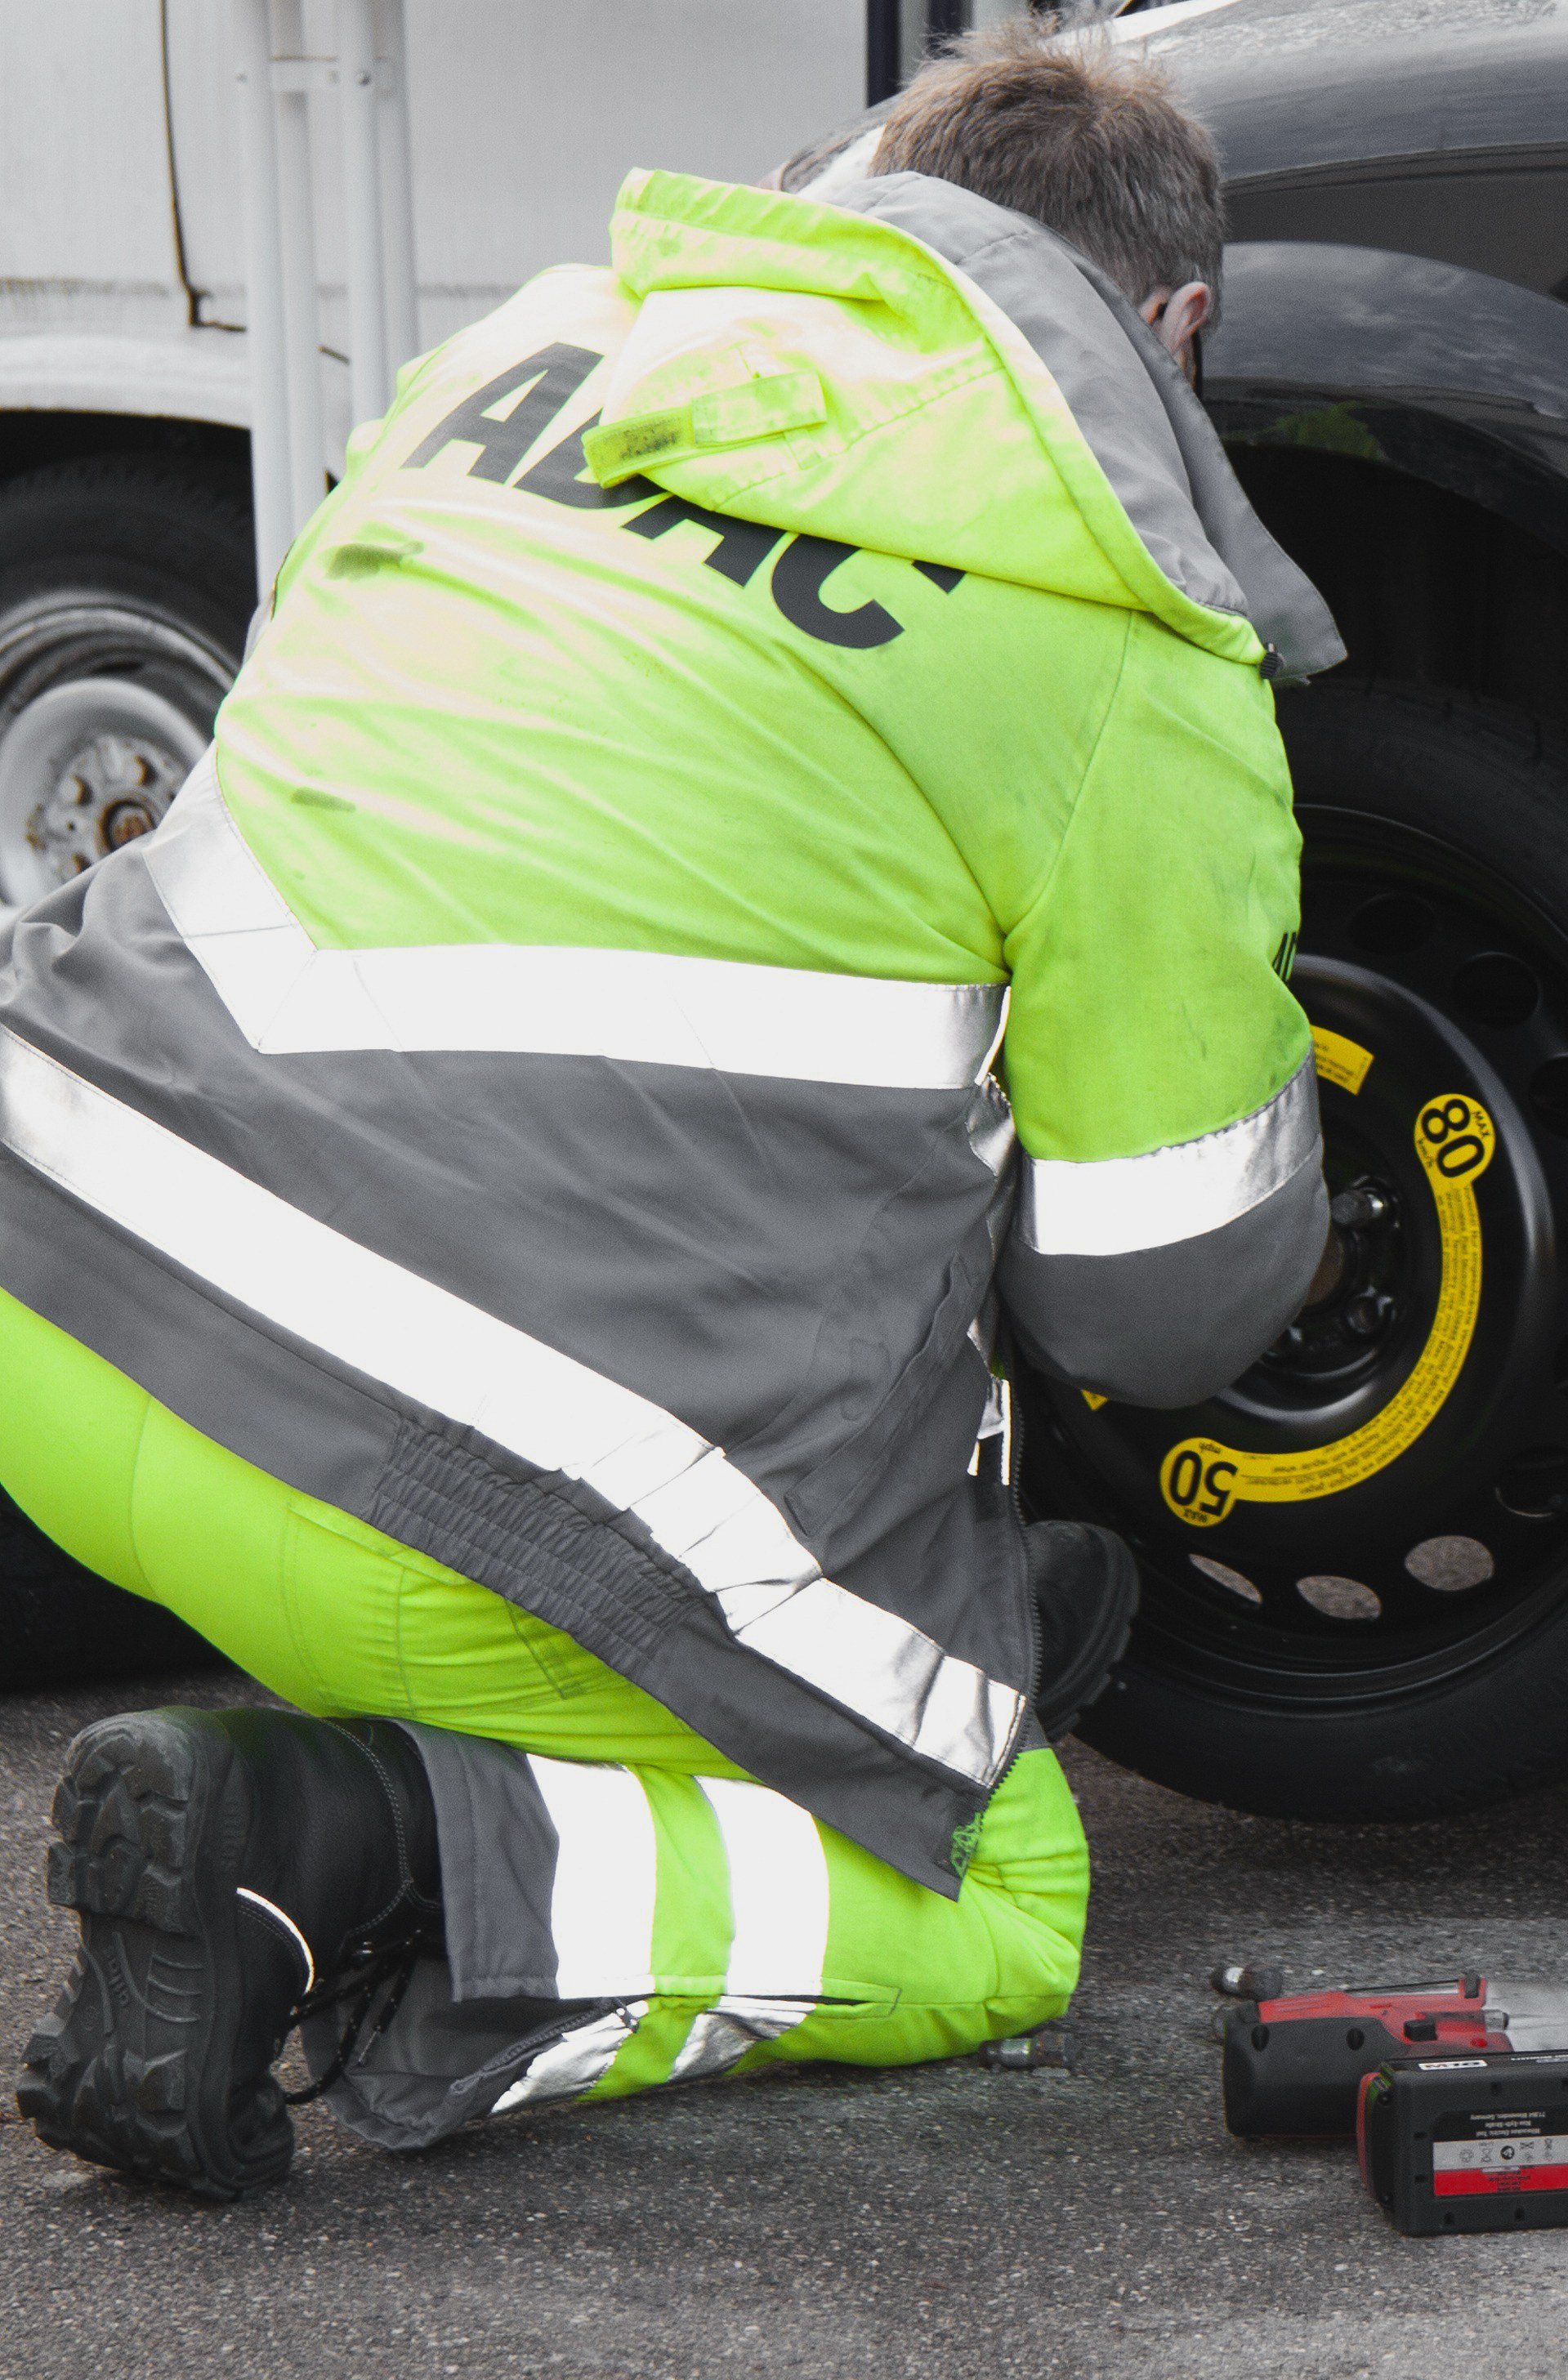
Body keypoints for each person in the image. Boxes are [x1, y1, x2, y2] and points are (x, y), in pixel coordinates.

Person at [0, 25, 1340, 2198]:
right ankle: (335, 1849)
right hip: (424, 1489)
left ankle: (890, 1627)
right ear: (1173, 328)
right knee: (997, 1904)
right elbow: (1158, 1298)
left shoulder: (537, 345)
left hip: (57, 1300)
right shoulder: (1122, 624)